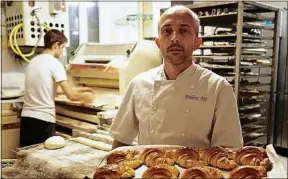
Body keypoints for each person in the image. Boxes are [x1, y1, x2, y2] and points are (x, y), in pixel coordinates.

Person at [110, 5, 243, 149]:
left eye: (184, 30)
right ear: (158, 42)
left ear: (197, 42)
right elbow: (120, 142)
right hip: (148, 169)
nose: (174, 38)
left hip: (197, 170)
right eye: (167, 31)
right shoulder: (138, 85)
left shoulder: (218, 88)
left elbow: (228, 151)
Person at [20, 29, 95, 147]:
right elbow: (72, 96)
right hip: (43, 120)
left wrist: (81, 89)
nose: (62, 51)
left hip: (27, 119)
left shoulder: (33, 62)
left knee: (27, 157)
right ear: (56, 45)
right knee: (42, 159)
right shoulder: (55, 64)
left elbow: (48, 88)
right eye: (62, 47)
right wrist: (88, 97)